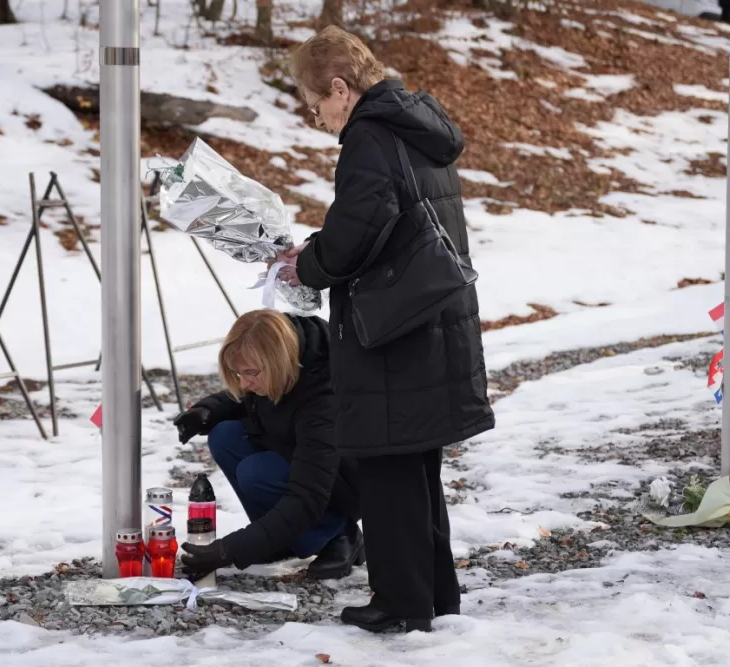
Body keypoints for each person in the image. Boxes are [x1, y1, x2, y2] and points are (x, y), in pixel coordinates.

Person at [275, 26, 495, 633]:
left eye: (315, 103)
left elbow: (358, 231)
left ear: (341, 89)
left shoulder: (369, 135)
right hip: (429, 323)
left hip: (392, 331)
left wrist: (308, 262)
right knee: (418, 466)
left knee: (388, 465)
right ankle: (434, 594)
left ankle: (401, 602)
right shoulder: (415, 124)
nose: (314, 116)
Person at [173, 309, 364, 581]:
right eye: (238, 373)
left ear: (278, 361)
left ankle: (338, 534)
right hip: (298, 455)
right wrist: (206, 411)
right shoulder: (277, 368)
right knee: (224, 435)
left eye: (251, 373)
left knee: (257, 471)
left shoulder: (323, 395)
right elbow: (244, 398)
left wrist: (232, 550)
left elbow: (307, 497)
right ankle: (281, 541)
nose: (244, 383)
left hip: (341, 481)